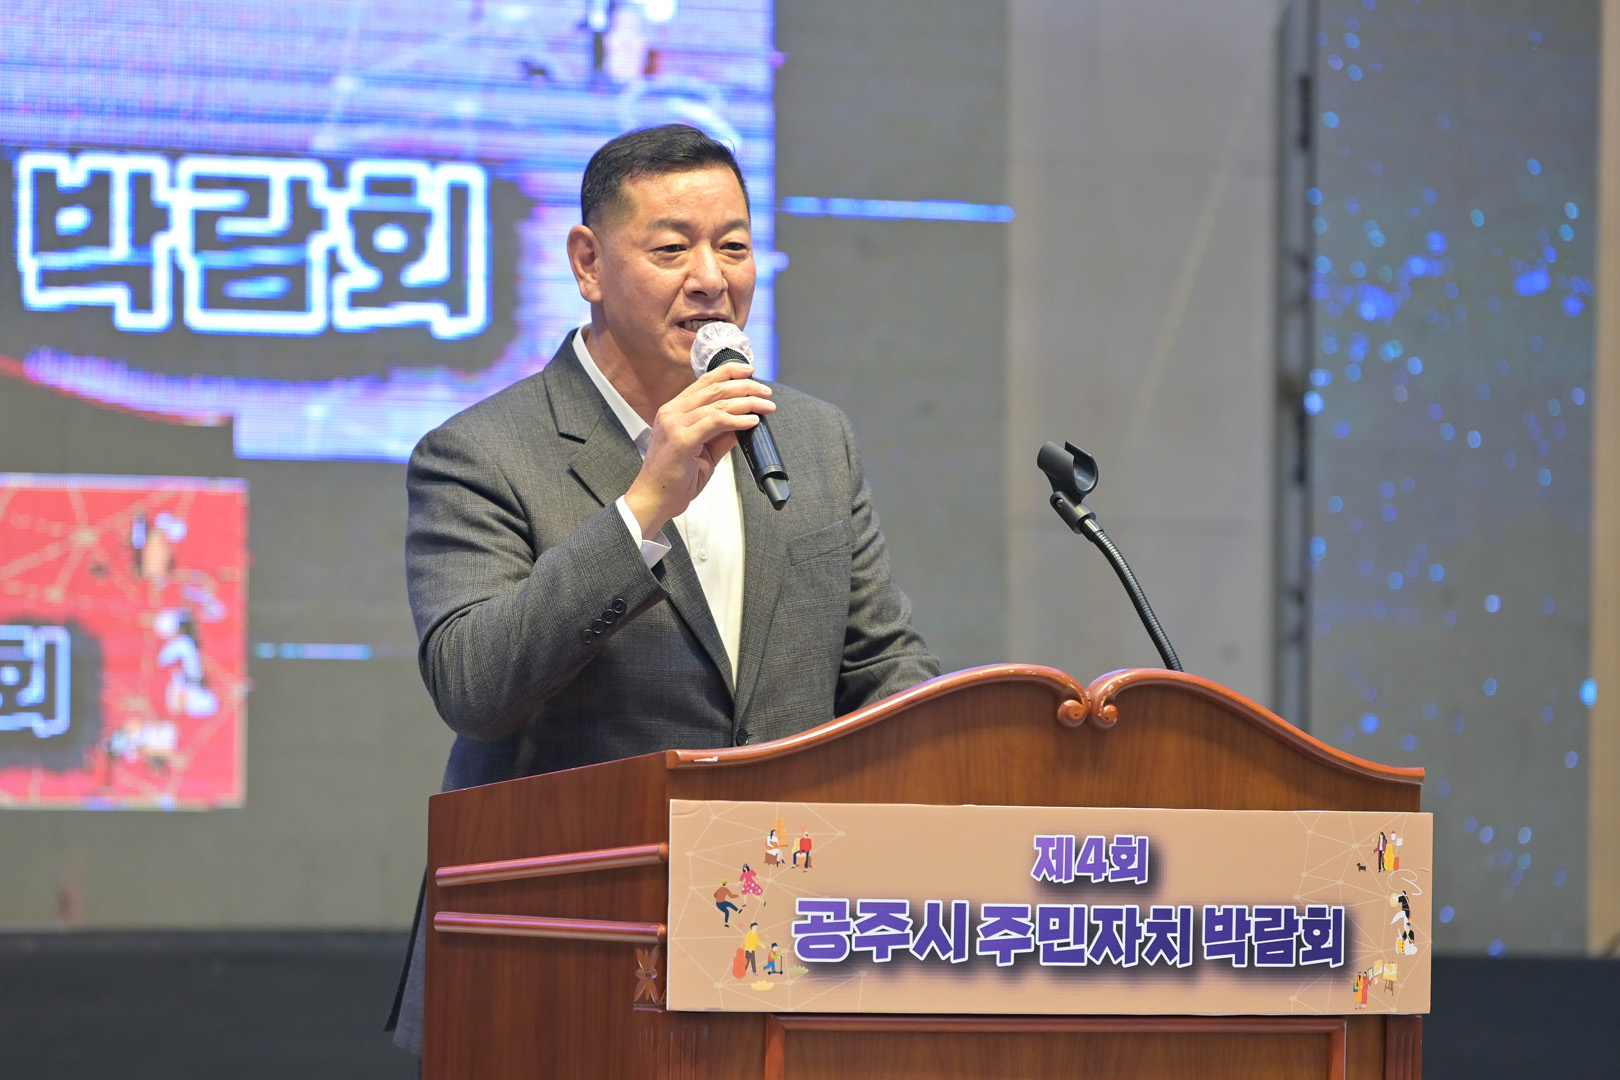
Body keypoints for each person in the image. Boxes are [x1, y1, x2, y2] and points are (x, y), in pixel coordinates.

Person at [387, 123, 938, 1058]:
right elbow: (473, 686)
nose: (712, 278)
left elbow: (880, 663)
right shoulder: (479, 453)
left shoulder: (811, 440)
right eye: (673, 248)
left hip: (780, 942)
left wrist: (966, 769)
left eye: (734, 246)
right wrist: (643, 506)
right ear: (588, 264)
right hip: (559, 954)